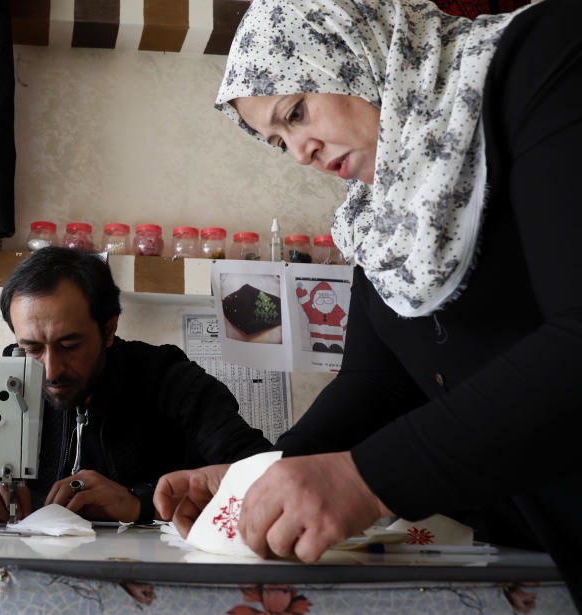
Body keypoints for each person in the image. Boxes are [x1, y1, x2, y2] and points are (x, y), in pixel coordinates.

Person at [153, 0, 582, 606]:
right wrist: (255, 479)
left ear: (354, 45)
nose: (300, 152)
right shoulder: (377, 221)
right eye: (281, 141)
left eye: (296, 113)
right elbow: (374, 384)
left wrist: (367, 480)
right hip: (539, 551)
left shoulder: (543, 61)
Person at [0, 246, 272, 523]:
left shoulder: (171, 381)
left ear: (108, 330)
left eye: (69, 345)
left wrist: (139, 503)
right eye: (31, 349)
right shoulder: (5, 384)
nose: (51, 369)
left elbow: (263, 474)